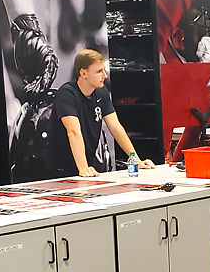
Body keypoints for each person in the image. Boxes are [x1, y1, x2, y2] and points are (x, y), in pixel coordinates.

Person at [46, 49, 154, 178]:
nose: (105, 76)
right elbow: (73, 131)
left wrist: (136, 160)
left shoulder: (101, 92)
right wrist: (83, 168)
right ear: (83, 73)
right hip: (61, 169)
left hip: (87, 166)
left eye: (104, 70)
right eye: (99, 71)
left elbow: (116, 127)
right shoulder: (67, 94)